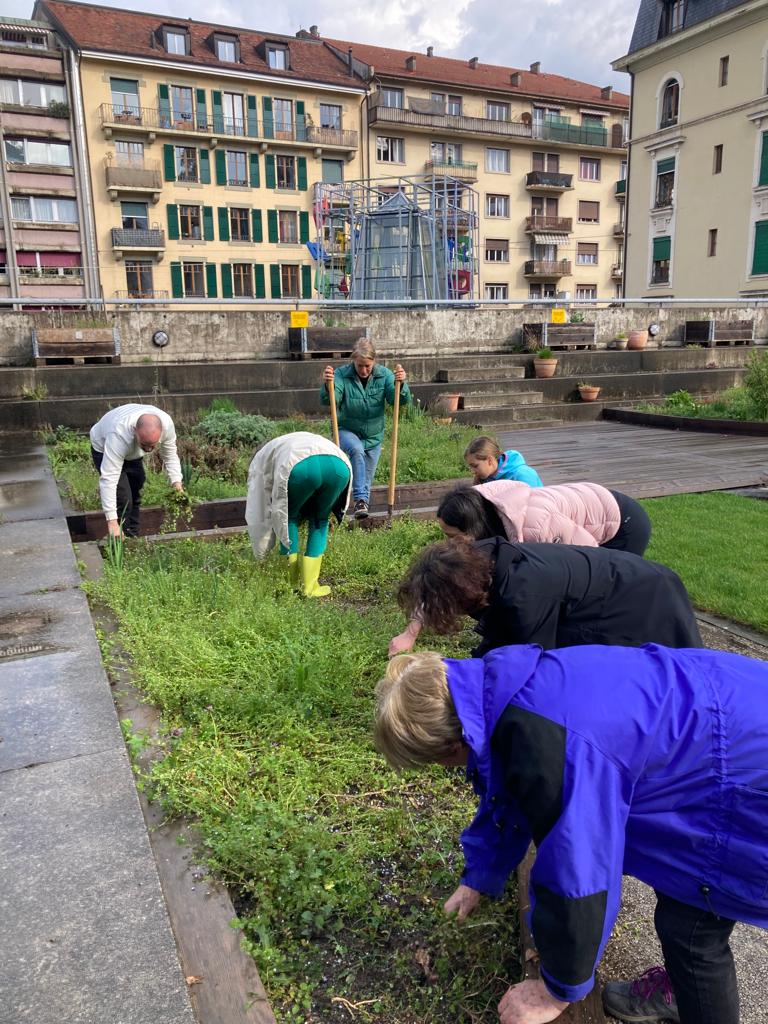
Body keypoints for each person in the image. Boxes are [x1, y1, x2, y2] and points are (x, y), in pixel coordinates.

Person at [374, 643, 768, 1024]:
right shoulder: (499, 690)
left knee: (691, 933)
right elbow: (509, 785)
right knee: (683, 906)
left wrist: (556, 990)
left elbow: (579, 873)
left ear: (451, 746)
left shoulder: (549, 744)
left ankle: (690, 998)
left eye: (438, 762)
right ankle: (683, 992)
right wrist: (477, 877)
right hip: (729, 707)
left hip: (747, 766)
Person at [392, 536, 701, 656]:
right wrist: (410, 633)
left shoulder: (523, 596)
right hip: (620, 579)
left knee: (668, 672)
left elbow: (526, 660)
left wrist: (453, 677)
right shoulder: (479, 559)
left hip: (643, 596)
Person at [245, 431, 351, 597]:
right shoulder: (285, 443)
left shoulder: (260, 460)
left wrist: (261, 553)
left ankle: (291, 584)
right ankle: (310, 587)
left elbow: (258, 509)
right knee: (320, 520)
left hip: (302, 467)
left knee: (288, 517)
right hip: (340, 466)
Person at [320, 338, 410, 519]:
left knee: (365, 479)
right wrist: (328, 385)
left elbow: (397, 400)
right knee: (356, 450)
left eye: (367, 366)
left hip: (373, 436)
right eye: (359, 365)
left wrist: (401, 384)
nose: (363, 370)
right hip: (346, 430)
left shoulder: (385, 375)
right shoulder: (341, 375)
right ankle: (359, 500)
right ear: (353, 360)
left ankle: (359, 512)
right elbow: (331, 400)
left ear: (374, 361)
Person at [438, 481, 652, 555]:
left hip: (624, 522)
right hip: (594, 501)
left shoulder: (536, 526)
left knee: (608, 590)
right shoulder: (481, 505)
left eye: (452, 536)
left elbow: (590, 558)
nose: (449, 542)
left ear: (473, 527)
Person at [90, 403, 183, 538]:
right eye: (145, 445)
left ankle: (132, 536)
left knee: (136, 488)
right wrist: (112, 522)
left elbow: (170, 456)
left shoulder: (166, 425)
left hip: (131, 449)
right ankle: (117, 538)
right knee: (123, 498)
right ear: (135, 431)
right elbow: (109, 479)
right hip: (103, 447)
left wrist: (177, 484)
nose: (149, 450)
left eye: (153, 445)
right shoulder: (119, 434)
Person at [464, 436, 542, 487]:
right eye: (470, 467)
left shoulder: (522, 475)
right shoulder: (484, 478)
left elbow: (533, 504)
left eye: (475, 466)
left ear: (490, 460)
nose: (472, 471)